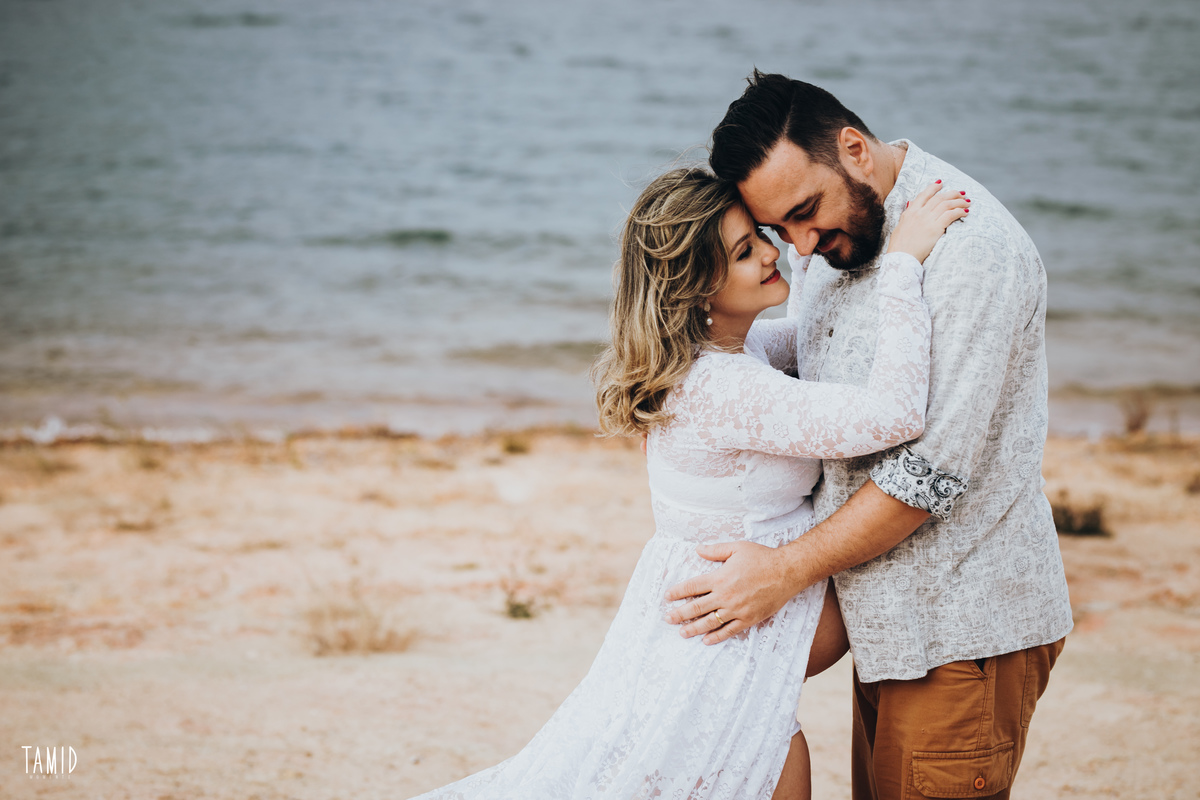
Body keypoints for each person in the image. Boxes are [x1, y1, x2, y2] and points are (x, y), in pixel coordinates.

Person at [407, 168, 967, 800]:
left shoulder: (724, 353)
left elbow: (817, 338)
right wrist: (902, 266)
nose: (770, 252)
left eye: (762, 235)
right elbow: (894, 415)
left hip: (720, 640)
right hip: (720, 651)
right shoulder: (724, 389)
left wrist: (811, 253)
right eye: (746, 251)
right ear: (698, 289)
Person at [663, 71, 1073, 800]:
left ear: (854, 149)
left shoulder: (969, 252)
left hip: (960, 627)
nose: (799, 245)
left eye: (804, 213)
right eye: (777, 229)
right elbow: (812, 355)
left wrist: (782, 571)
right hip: (889, 625)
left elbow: (926, 477)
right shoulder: (841, 235)